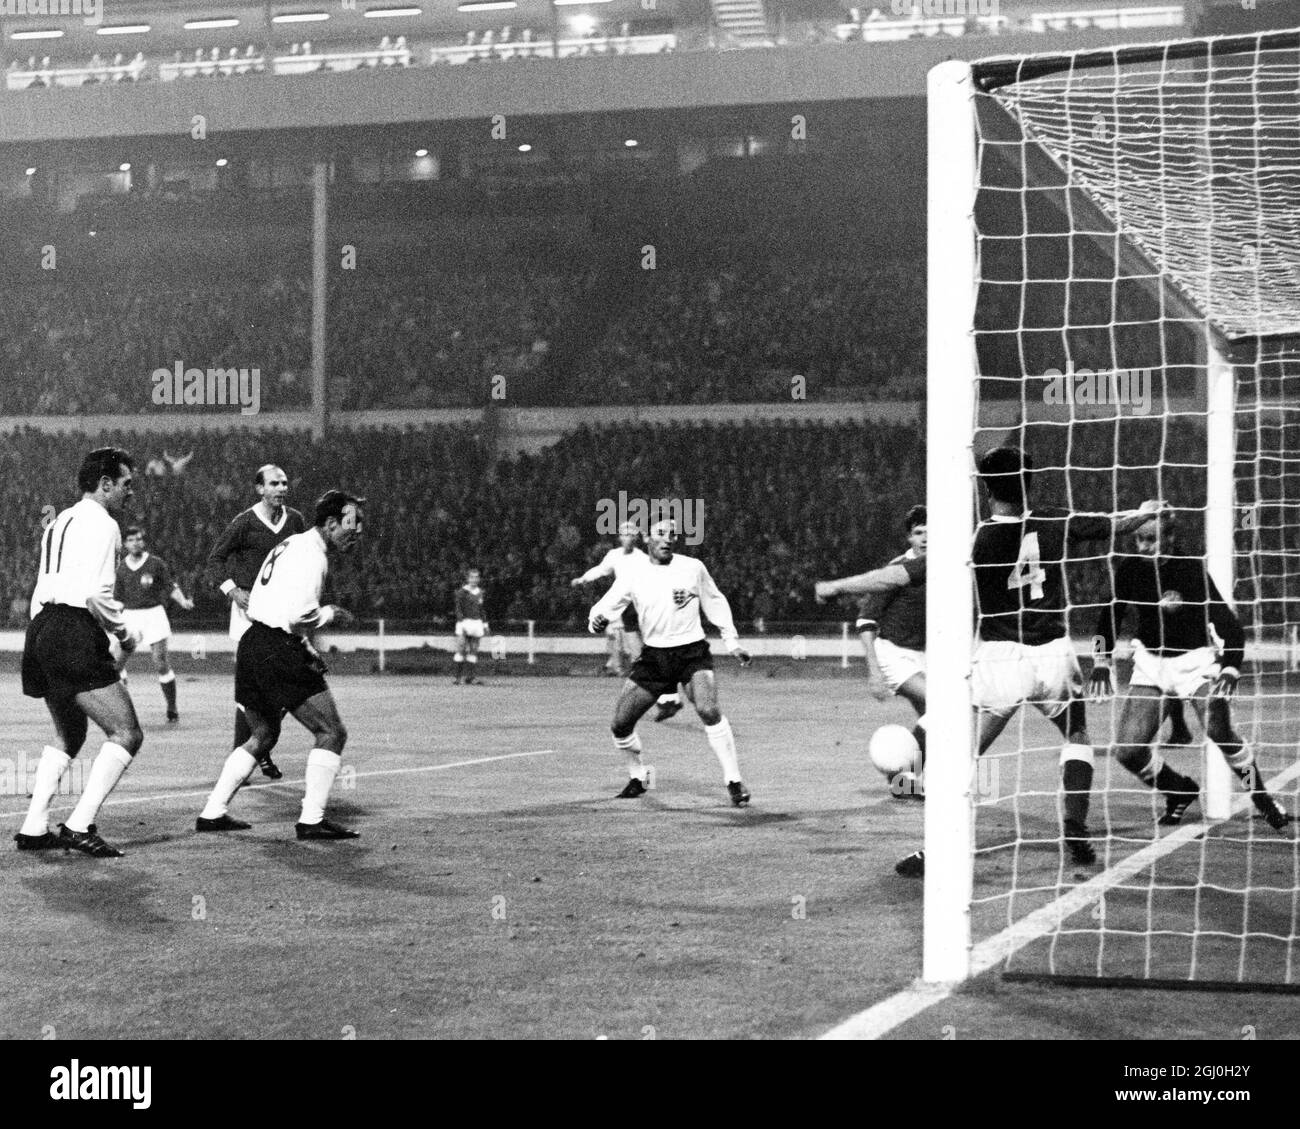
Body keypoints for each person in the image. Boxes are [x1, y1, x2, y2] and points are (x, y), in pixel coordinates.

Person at [824, 448, 1163, 877]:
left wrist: (839, 586)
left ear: (986, 489)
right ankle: (1075, 824)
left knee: (963, 754)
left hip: (1001, 659)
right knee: (1076, 735)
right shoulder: (1055, 519)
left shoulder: (978, 539)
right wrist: (1144, 511)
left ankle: (938, 850)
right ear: (1029, 483)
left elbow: (901, 575)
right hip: (1054, 654)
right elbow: (1113, 523)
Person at [1088, 505, 1291, 831]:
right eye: (1139, 539)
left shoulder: (1190, 570)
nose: (1143, 547)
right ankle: (1179, 790)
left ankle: (1262, 797)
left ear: (1169, 537)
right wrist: (1101, 661)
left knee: (1220, 732)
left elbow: (1229, 625)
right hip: (1152, 665)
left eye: (1151, 539)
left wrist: (1229, 669)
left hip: (1194, 663)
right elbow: (1108, 617)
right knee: (1127, 751)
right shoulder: (1130, 569)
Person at [196, 490, 366, 840]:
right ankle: (312, 820)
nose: (359, 530)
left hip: (253, 642)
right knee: (332, 732)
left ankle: (213, 811)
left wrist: (303, 644)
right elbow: (299, 612)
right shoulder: (313, 554)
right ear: (331, 524)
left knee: (263, 734)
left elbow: (271, 600)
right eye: (353, 522)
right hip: (276, 647)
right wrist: (331, 613)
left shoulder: (289, 544)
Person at [15, 447, 145, 858]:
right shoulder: (105, 524)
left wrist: (42, 638)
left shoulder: (60, 521)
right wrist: (124, 634)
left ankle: (34, 826)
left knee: (69, 734)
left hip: (42, 627)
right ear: (105, 484)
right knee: (127, 733)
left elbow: (43, 585)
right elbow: (96, 594)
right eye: (126, 485)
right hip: (72, 629)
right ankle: (79, 824)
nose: (130, 493)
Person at [589, 518, 753, 806]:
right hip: (655, 657)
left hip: (691, 652)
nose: (668, 539)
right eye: (661, 534)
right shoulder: (633, 574)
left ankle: (734, 781)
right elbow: (603, 608)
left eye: (672, 535)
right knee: (620, 724)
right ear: (647, 539)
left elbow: (715, 601)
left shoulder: (692, 567)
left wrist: (732, 642)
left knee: (708, 708)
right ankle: (638, 776)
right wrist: (596, 622)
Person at [815, 503, 927, 799]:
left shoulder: (942, 566)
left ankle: (903, 781)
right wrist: (874, 671)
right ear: (909, 538)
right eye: (918, 533)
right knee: (940, 709)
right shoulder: (898, 569)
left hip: (924, 655)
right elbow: (866, 620)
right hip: (894, 654)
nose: (925, 538)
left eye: (930, 531)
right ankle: (902, 775)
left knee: (933, 720)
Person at [206, 464, 307, 778]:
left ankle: (260, 747)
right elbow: (215, 559)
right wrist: (233, 590)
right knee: (250, 685)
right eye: (274, 483)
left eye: (285, 483)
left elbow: (304, 558)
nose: (281, 488)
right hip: (249, 609)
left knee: (284, 685)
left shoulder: (296, 520)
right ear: (259, 489)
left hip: (283, 609)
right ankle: (244, 758)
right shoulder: (244, 522)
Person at [571, 522, 684, 720]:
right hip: (626, 606)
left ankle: (665, 696)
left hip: (643, 604)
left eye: (632, 534)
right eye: (625, 533)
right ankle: (667, 698)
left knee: (647, 653)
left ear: (637, 537)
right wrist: (583, 579)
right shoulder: (614, 556)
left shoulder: (642, 558)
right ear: (620, 537)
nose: (628, 537)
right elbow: (600, 570)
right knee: (641, 655)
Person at [116, 526, 195, 723]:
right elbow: (117, 598)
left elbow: (170, 586)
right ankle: (124, 709)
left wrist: (183, 601)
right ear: (125, 544)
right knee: (116, 664)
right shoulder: (121, 568)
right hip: (130, 616)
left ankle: (172, 706)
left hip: (153, 614)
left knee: (160, 662)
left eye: (139, 539)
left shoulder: (155, 563)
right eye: (132, 540)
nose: (136, 543)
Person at [453, 568, 488, 685]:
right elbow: (458, 609)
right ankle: (457, 677)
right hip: (464, 622)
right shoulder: (461, 592)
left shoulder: (480, 592)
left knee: (473, 650)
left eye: (476, 577)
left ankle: (470, 677)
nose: (474, 579)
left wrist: (485, 624)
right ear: (468, 579)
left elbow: (482, 609)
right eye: (472, 577)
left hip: (476, 623)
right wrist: (461, 623)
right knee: (461, 648)